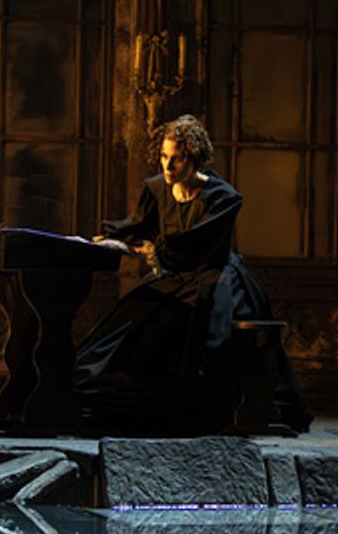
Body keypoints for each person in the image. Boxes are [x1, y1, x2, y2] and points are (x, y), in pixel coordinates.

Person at [73, 114, 313, 433]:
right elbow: (137, 224)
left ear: (195, 158)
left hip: (217, 276)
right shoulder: (157, 189)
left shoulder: (223, 197)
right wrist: (114, 238)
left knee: (203, 327)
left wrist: (152, 249)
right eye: (164, 157)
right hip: (175, 276)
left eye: (177, 159)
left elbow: (197, 244)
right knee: (132, 321)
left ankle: (218, 410)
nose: (168, 167)